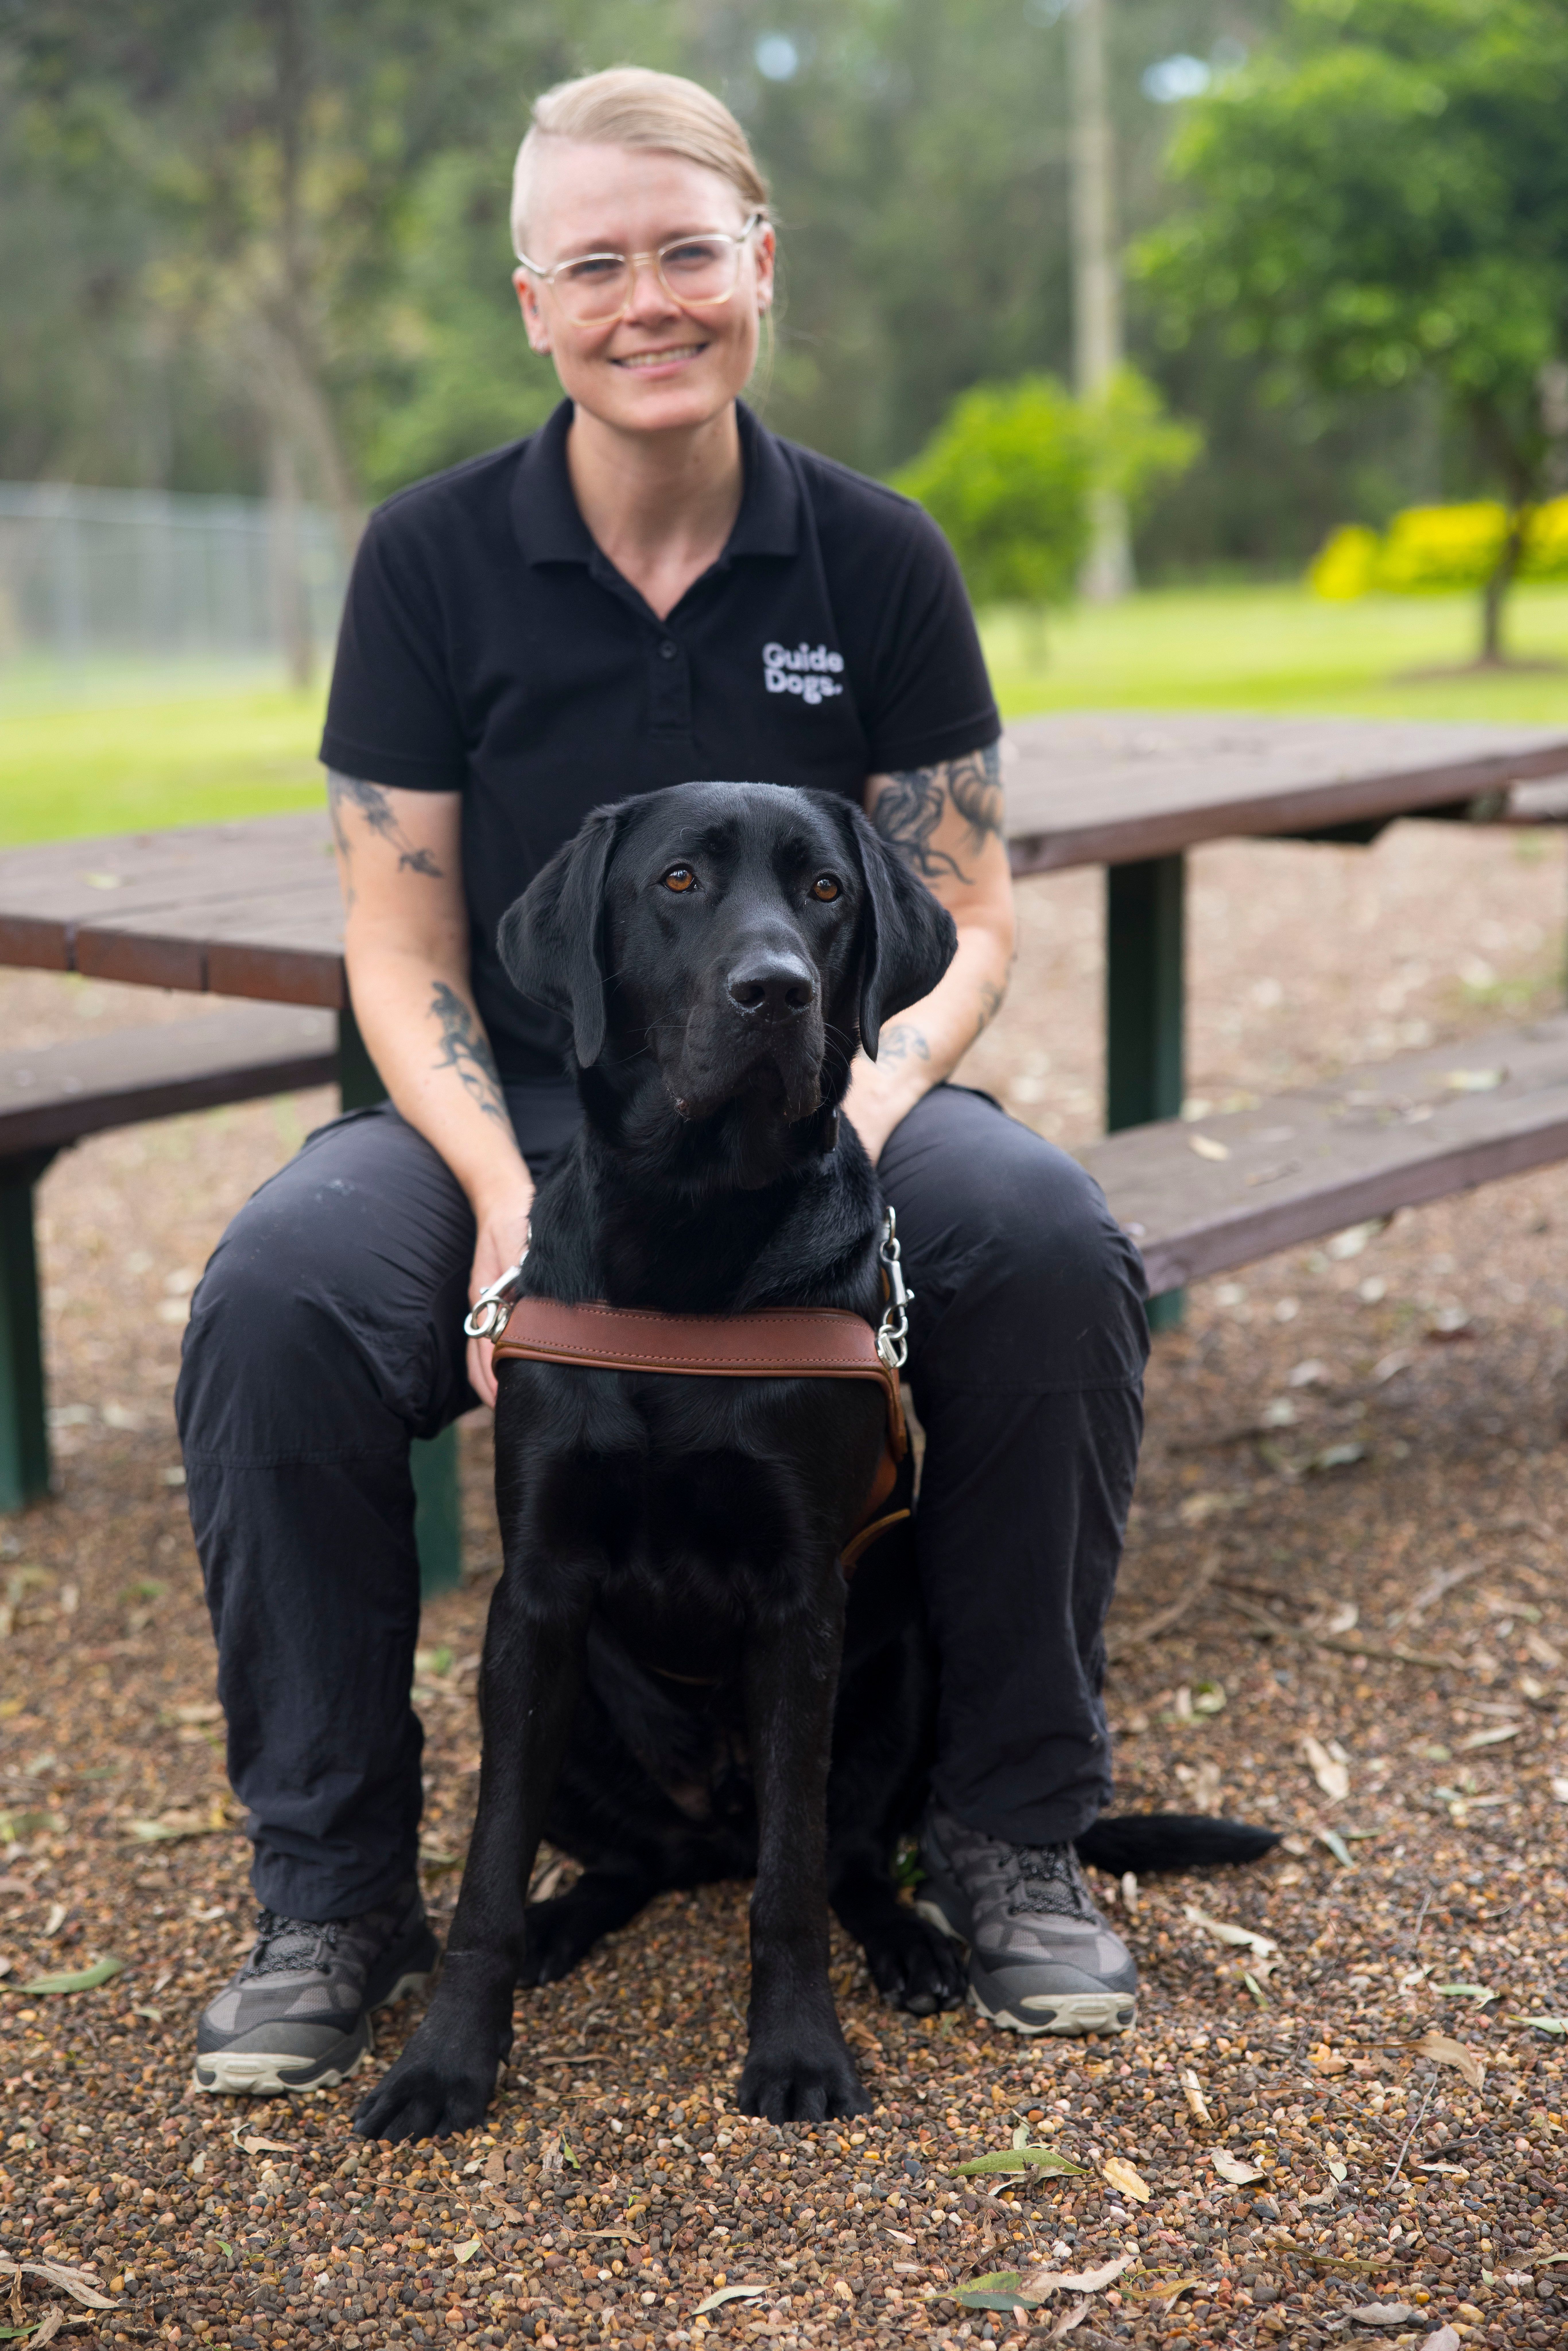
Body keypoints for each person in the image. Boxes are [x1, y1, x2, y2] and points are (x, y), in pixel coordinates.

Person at [176, 66, 1149, 2099]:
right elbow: (400, 941)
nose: (648, 300)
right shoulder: (431, 559)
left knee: (1049, 1242)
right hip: (510, 1119)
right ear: (533, 301)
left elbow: (963, 917)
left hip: (828, 1102)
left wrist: (867, 1126)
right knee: (276, 1293)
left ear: (759, 271)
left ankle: (1008, 1827)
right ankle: (335, 1887)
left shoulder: (876, 557)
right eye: (596, 262)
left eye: (686, 253)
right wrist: (510, 1193)